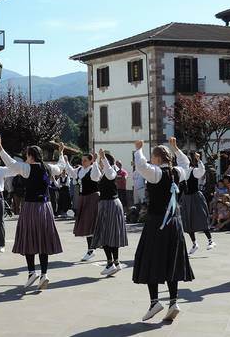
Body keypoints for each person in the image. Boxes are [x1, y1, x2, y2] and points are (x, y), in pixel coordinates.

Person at [132, 138, 193, 322]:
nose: (151, 160)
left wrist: (138, 150)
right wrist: (175, 148)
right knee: (171, 260)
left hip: (157, 223)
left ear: (158, 158)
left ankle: (154, 302)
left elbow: (141, 166)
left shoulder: (156, 173)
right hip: (174, 223)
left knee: (151, 259)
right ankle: (173, 302)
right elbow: (186, 163)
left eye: (153, 157)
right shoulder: (178, 172)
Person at [0, 135, 63, 289]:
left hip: (31, 207)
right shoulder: (48, 167)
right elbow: (60, 166)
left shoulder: (27, 168)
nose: (25, 158)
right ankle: (44, 274)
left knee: (29, 239)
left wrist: (0, 147)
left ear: (31, 156)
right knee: (43, 241)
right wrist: (61, 153)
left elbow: (11, 163)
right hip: (46, 208)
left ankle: (32, 272)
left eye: (26, 155)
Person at [90, 149, 128, 277]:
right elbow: (93, 176)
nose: (101, 163)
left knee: (106, 234)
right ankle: (115, 263)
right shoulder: (104, 173)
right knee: (109, 234)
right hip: (108, 204)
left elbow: (110, 172)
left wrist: (103, 158)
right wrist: (95, 161)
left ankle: (110, 263)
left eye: (102, 161)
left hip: (110, 204)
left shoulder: (111, 171)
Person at [62, 152, 101, 262]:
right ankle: (91, 249)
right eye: (82, 160)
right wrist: (65, 160)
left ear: (90, 161)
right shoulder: (79, 170)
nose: (82, 162)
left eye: (85, 160)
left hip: (93, 198)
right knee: (86, 223)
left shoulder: (93, 169)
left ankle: (93, 248)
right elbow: (70, 171)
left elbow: (96, 176)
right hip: (84, 198)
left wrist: (96, 162)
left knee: (91, 223)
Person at [180, 151, 215, 255]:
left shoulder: (194, 171)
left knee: (201, 218)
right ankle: (194, 244)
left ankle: (210, 240)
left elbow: (201, 171)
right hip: (186, 198)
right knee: (188, 221)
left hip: (195, 197)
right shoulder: (181, 173)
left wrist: (199, 160)